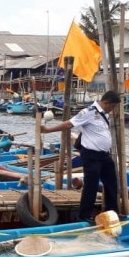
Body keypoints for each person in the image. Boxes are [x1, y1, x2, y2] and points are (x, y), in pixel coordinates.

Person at [40, 90, 121, 223]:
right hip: (91, 155)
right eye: (111, 107)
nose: (112, 110)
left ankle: (112, 212)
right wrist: (48, 130)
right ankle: (85, 215)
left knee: (112, 183)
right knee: (91, 185)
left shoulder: (103, 114)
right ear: (106, 103)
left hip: (104, 155)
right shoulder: (88, 112)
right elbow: (68, 124)